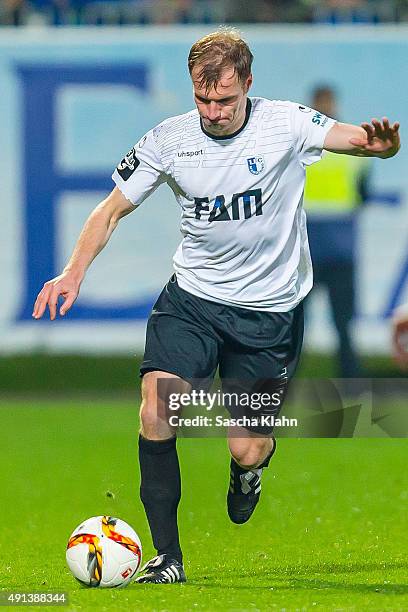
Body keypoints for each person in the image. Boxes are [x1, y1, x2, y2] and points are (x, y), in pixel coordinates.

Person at [32, 28, 400, 583]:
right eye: (203, 99)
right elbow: (109, 211)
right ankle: (167, 558)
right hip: (194, 300)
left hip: (269, 314)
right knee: (157, 407)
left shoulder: (288, 123)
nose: (214, 111)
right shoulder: (170, 139)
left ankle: (247, 471)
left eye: (225, 99)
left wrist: (384, 144)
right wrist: (73, 271)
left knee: (247, 447)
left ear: (248, 84)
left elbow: (363, 142)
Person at [304, 85, 371, 377]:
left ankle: (350, 383)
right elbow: (363, 193)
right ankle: (350, 385)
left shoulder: (301, 146)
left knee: (342, 324)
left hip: (334, 250)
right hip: (308, 250)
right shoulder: (353, 144)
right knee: (297, 324)